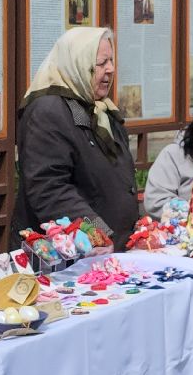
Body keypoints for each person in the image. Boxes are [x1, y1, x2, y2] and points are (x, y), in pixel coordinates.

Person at [13, 27, 138, 241]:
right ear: (77, 65)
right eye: (101, 63)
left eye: (111, 61)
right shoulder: (49, 112)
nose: (110, 69)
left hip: (107, 253)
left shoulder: (99, 109)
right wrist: (96, 232)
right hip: (65, 259)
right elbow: (50, 189)